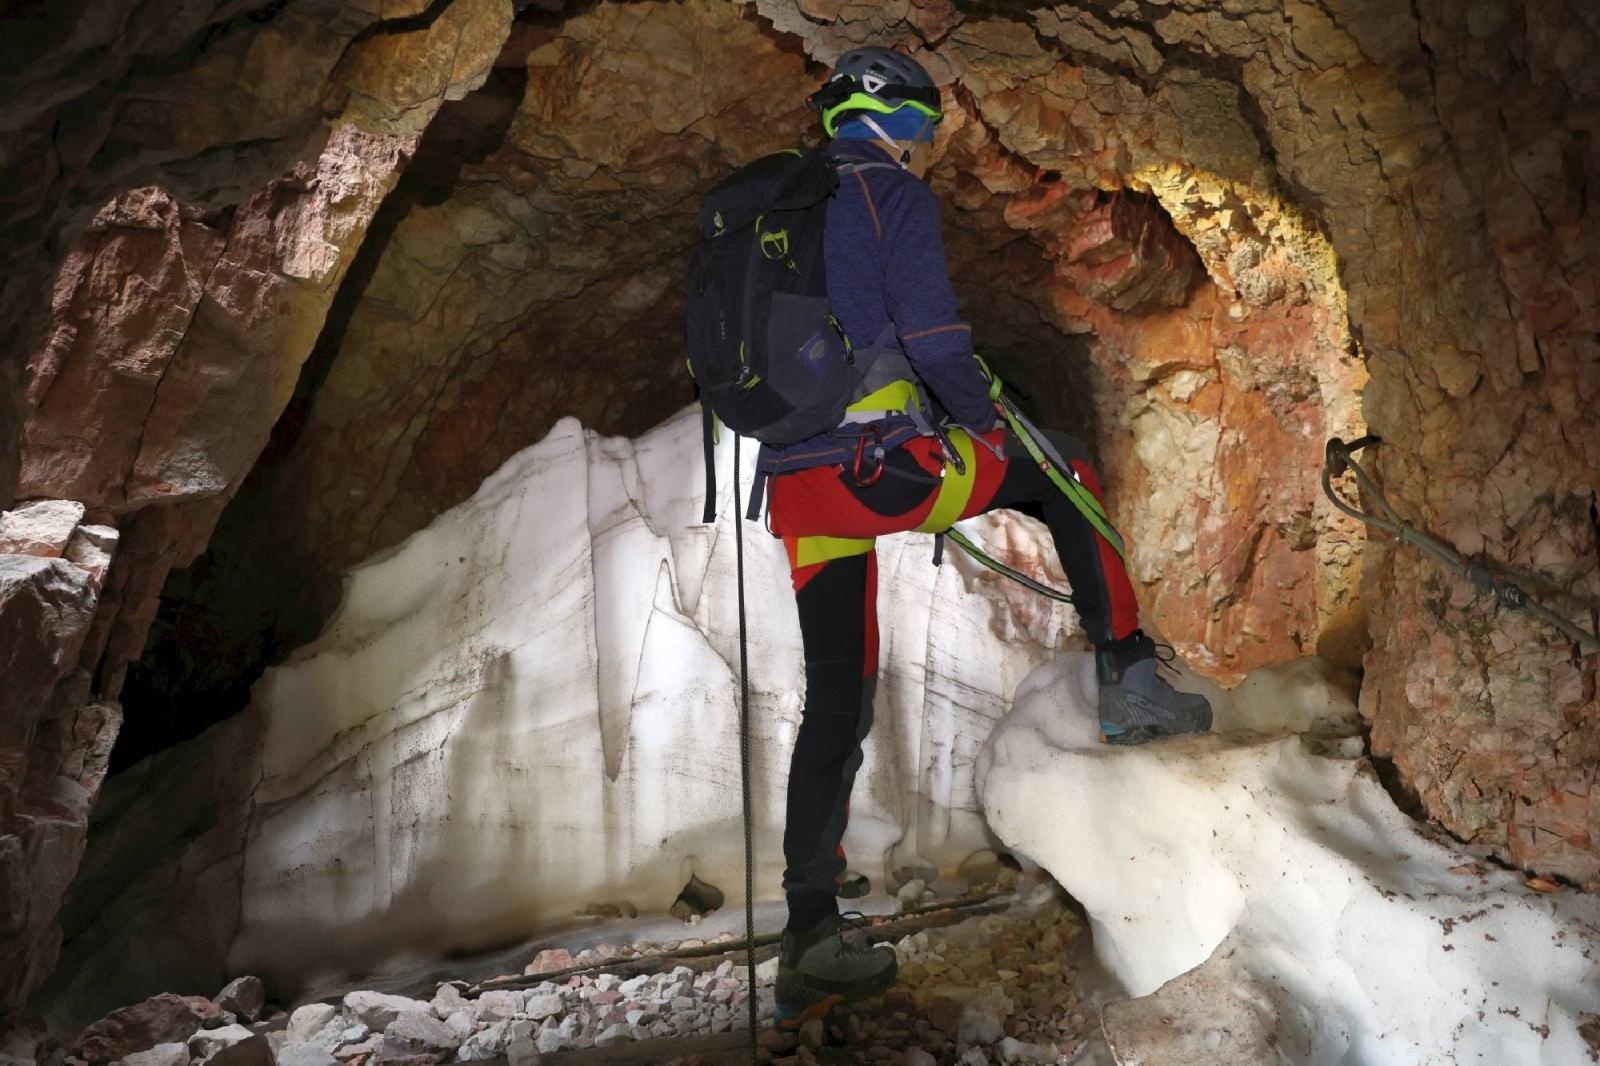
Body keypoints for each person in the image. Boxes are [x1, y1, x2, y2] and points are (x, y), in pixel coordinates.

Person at [762, 47, 1214, 1026]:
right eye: (922, 124)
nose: (924, 145)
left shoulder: (773, 209)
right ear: (894, 119)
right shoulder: (887, 192)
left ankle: (808, 934)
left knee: (836, 694)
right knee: (1068, 476)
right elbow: (928, 332)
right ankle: (1129, 680)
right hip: (878, 469)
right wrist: (974, 417)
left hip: (797, 491)